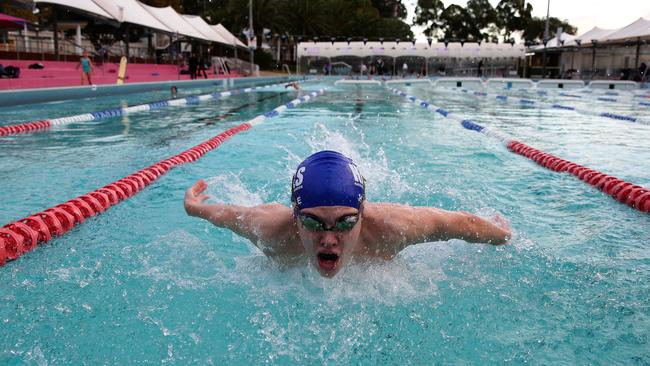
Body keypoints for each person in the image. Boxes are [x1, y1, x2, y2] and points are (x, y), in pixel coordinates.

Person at [184, 150, 511, 278]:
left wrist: (502, 235)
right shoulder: (271, 230)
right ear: (295, 217)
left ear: (362, 214)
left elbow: (455, 223)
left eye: (345, 222)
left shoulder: (392, 229)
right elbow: (228, 214)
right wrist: (195, 208)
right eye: (312, 222)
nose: (329, 239)